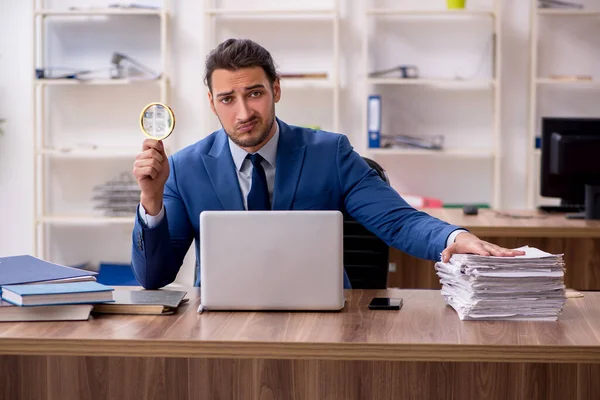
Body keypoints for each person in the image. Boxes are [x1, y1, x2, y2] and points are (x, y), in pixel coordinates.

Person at [131, 38, 523, 290]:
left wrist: (455, 239)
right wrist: (152, 198)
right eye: (228, 99)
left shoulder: (329, 153)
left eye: (255, 93)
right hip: (224, 324)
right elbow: (154, 277)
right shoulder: (185, 167)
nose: (244, 112)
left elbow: (399, 221)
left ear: (276, 90)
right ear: (212, 102)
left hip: (327, 321)